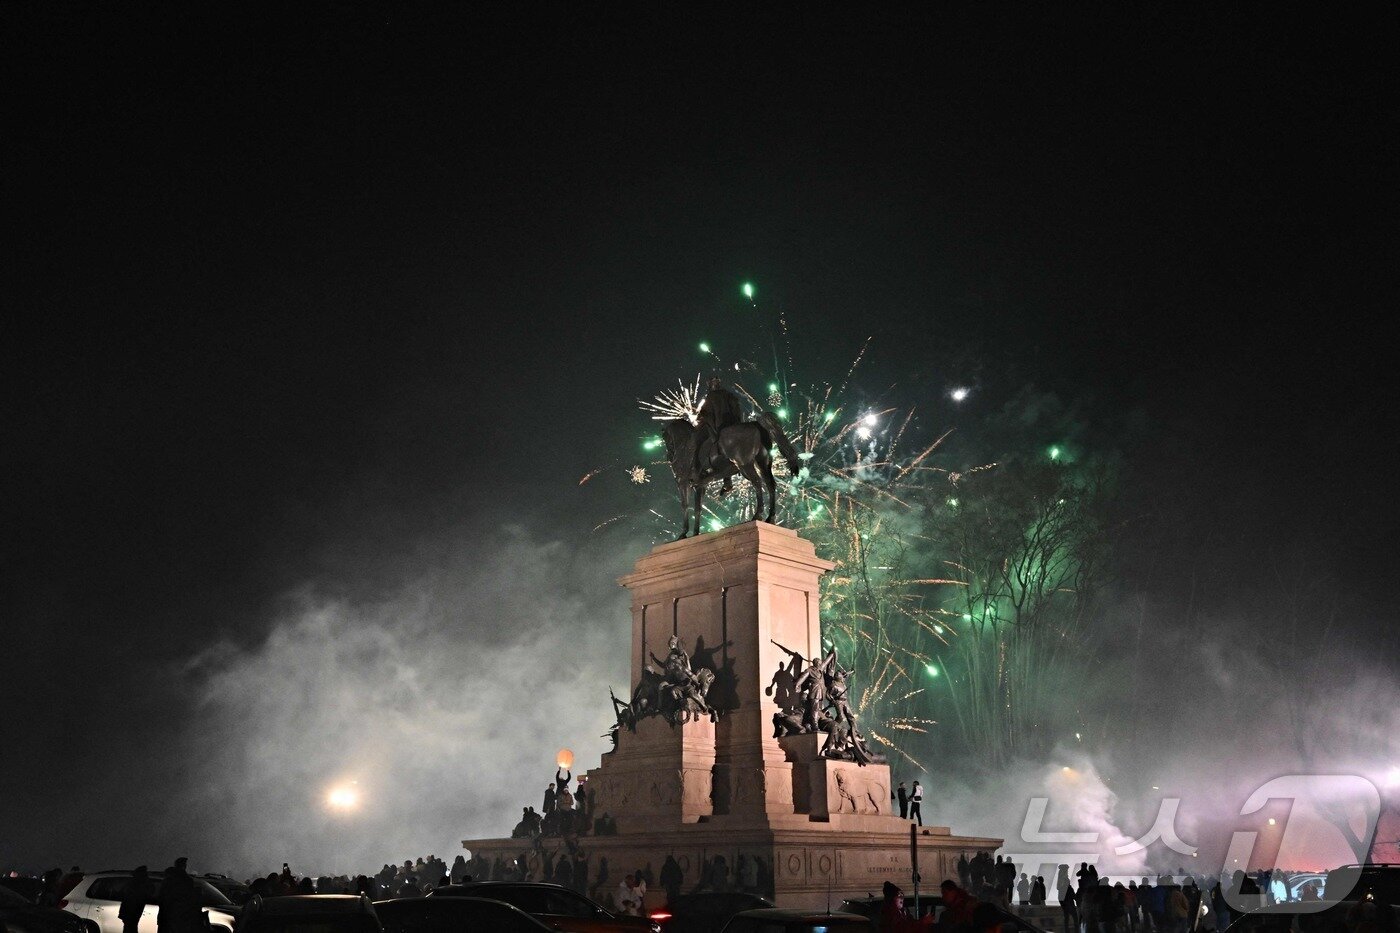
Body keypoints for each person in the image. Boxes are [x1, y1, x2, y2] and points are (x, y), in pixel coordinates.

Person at [120, 866, 148, 933]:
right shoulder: (139, 884)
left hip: (130, 911)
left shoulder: (133, 883)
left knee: (129, 928)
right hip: (131, 911)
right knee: (131, 927)